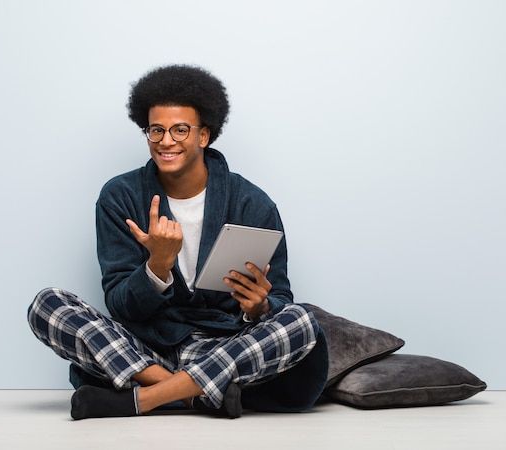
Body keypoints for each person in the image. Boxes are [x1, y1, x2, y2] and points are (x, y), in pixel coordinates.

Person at [27, 64, 329, 420]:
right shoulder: (119, 197)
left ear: (204, 136)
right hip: (147, 347)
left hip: (224, 348)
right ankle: (192, 395)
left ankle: (146, 399)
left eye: (180, 130)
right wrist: (156, 267)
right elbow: (121, 305)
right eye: (156, 130)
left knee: (300, 320)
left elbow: (280, 297)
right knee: (47, 305)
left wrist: (258, 307)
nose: (166, 141)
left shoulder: (253, 204)